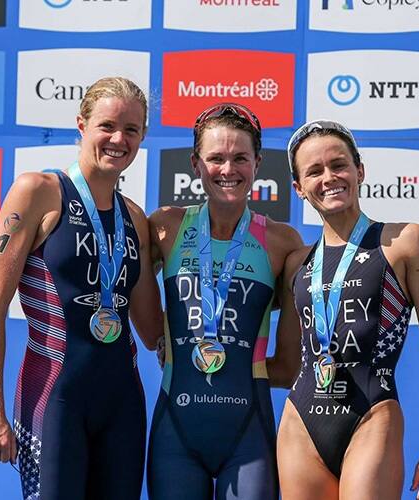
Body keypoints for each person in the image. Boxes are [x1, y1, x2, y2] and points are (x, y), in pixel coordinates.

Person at [0, 76, 162, 500]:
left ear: (143, 136)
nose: (119, 139)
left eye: (131, 130)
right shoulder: (38, 191)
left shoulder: (135, 218)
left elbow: (152, 332)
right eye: (107, 126)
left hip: (123, 402)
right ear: (82, 125)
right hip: (54, 395)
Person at [275, 120, 419, 500]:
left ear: (359, 170)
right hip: (301, 424)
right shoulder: (296, 263)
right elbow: (286, 363)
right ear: (299, 188)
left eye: (338, 164)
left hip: (372, 416)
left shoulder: (405, 242)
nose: (329, 177)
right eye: (314, 171)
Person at [147, 103, 303, 500]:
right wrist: (160, 338)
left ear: (258, 163)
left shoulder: (283, 243)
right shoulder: (164, 226)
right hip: (175, 430)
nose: (227, 169)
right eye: (215, 158)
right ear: (195, 163)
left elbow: (289, 364)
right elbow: (122, 286)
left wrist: (243, 362)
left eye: (240, 158)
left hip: (248, 430)